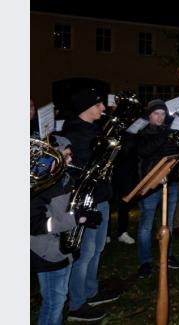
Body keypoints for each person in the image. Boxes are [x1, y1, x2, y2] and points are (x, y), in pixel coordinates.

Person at [61, 88, 119, 321]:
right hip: (86, 200)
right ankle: (77, 304)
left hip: (101, 196)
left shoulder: (95, 129)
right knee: (84, 253)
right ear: (85, 108)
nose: (103, 108)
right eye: (98, 105)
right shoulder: (74, 133)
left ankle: (90, 291)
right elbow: (77, 168)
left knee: (97, 249)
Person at [31, 136, 102, 325]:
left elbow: (65, 210)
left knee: (59, 299)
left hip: (61, 248)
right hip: (46, 252)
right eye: (67, 155)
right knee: (54, 302)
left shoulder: (64, 178)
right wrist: (76, 218)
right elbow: (35, 224)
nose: (70, 159)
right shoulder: (38, 187)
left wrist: (85, 212)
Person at [135, 99, 179, 278]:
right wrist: (166, 134)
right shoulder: (142, 131)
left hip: (171, 182)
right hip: (150, 184)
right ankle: (145, 262)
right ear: (149, 115)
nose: (160, 117)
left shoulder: (168, 131)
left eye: (163, 114)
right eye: (156, 113)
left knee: (167, 223)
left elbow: (177, 154)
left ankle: (167, 255)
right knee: (146, 226)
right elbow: (144, 151)